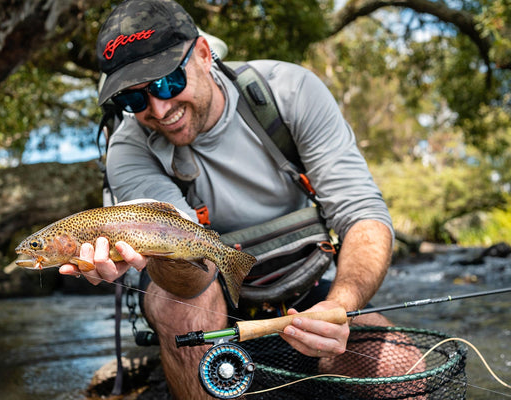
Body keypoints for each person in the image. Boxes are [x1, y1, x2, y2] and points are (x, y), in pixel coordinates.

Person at [60, 0, 394, 398]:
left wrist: (339, 306)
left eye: (167, 83)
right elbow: (191, 283)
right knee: (178, 306)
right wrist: (160, 253)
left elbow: (363, 214)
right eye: (134, 100)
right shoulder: (129, 150)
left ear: (203, 54)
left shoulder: (289, 91)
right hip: (200, 302)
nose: (160, 108)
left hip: (305, 291)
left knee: (405, 369)